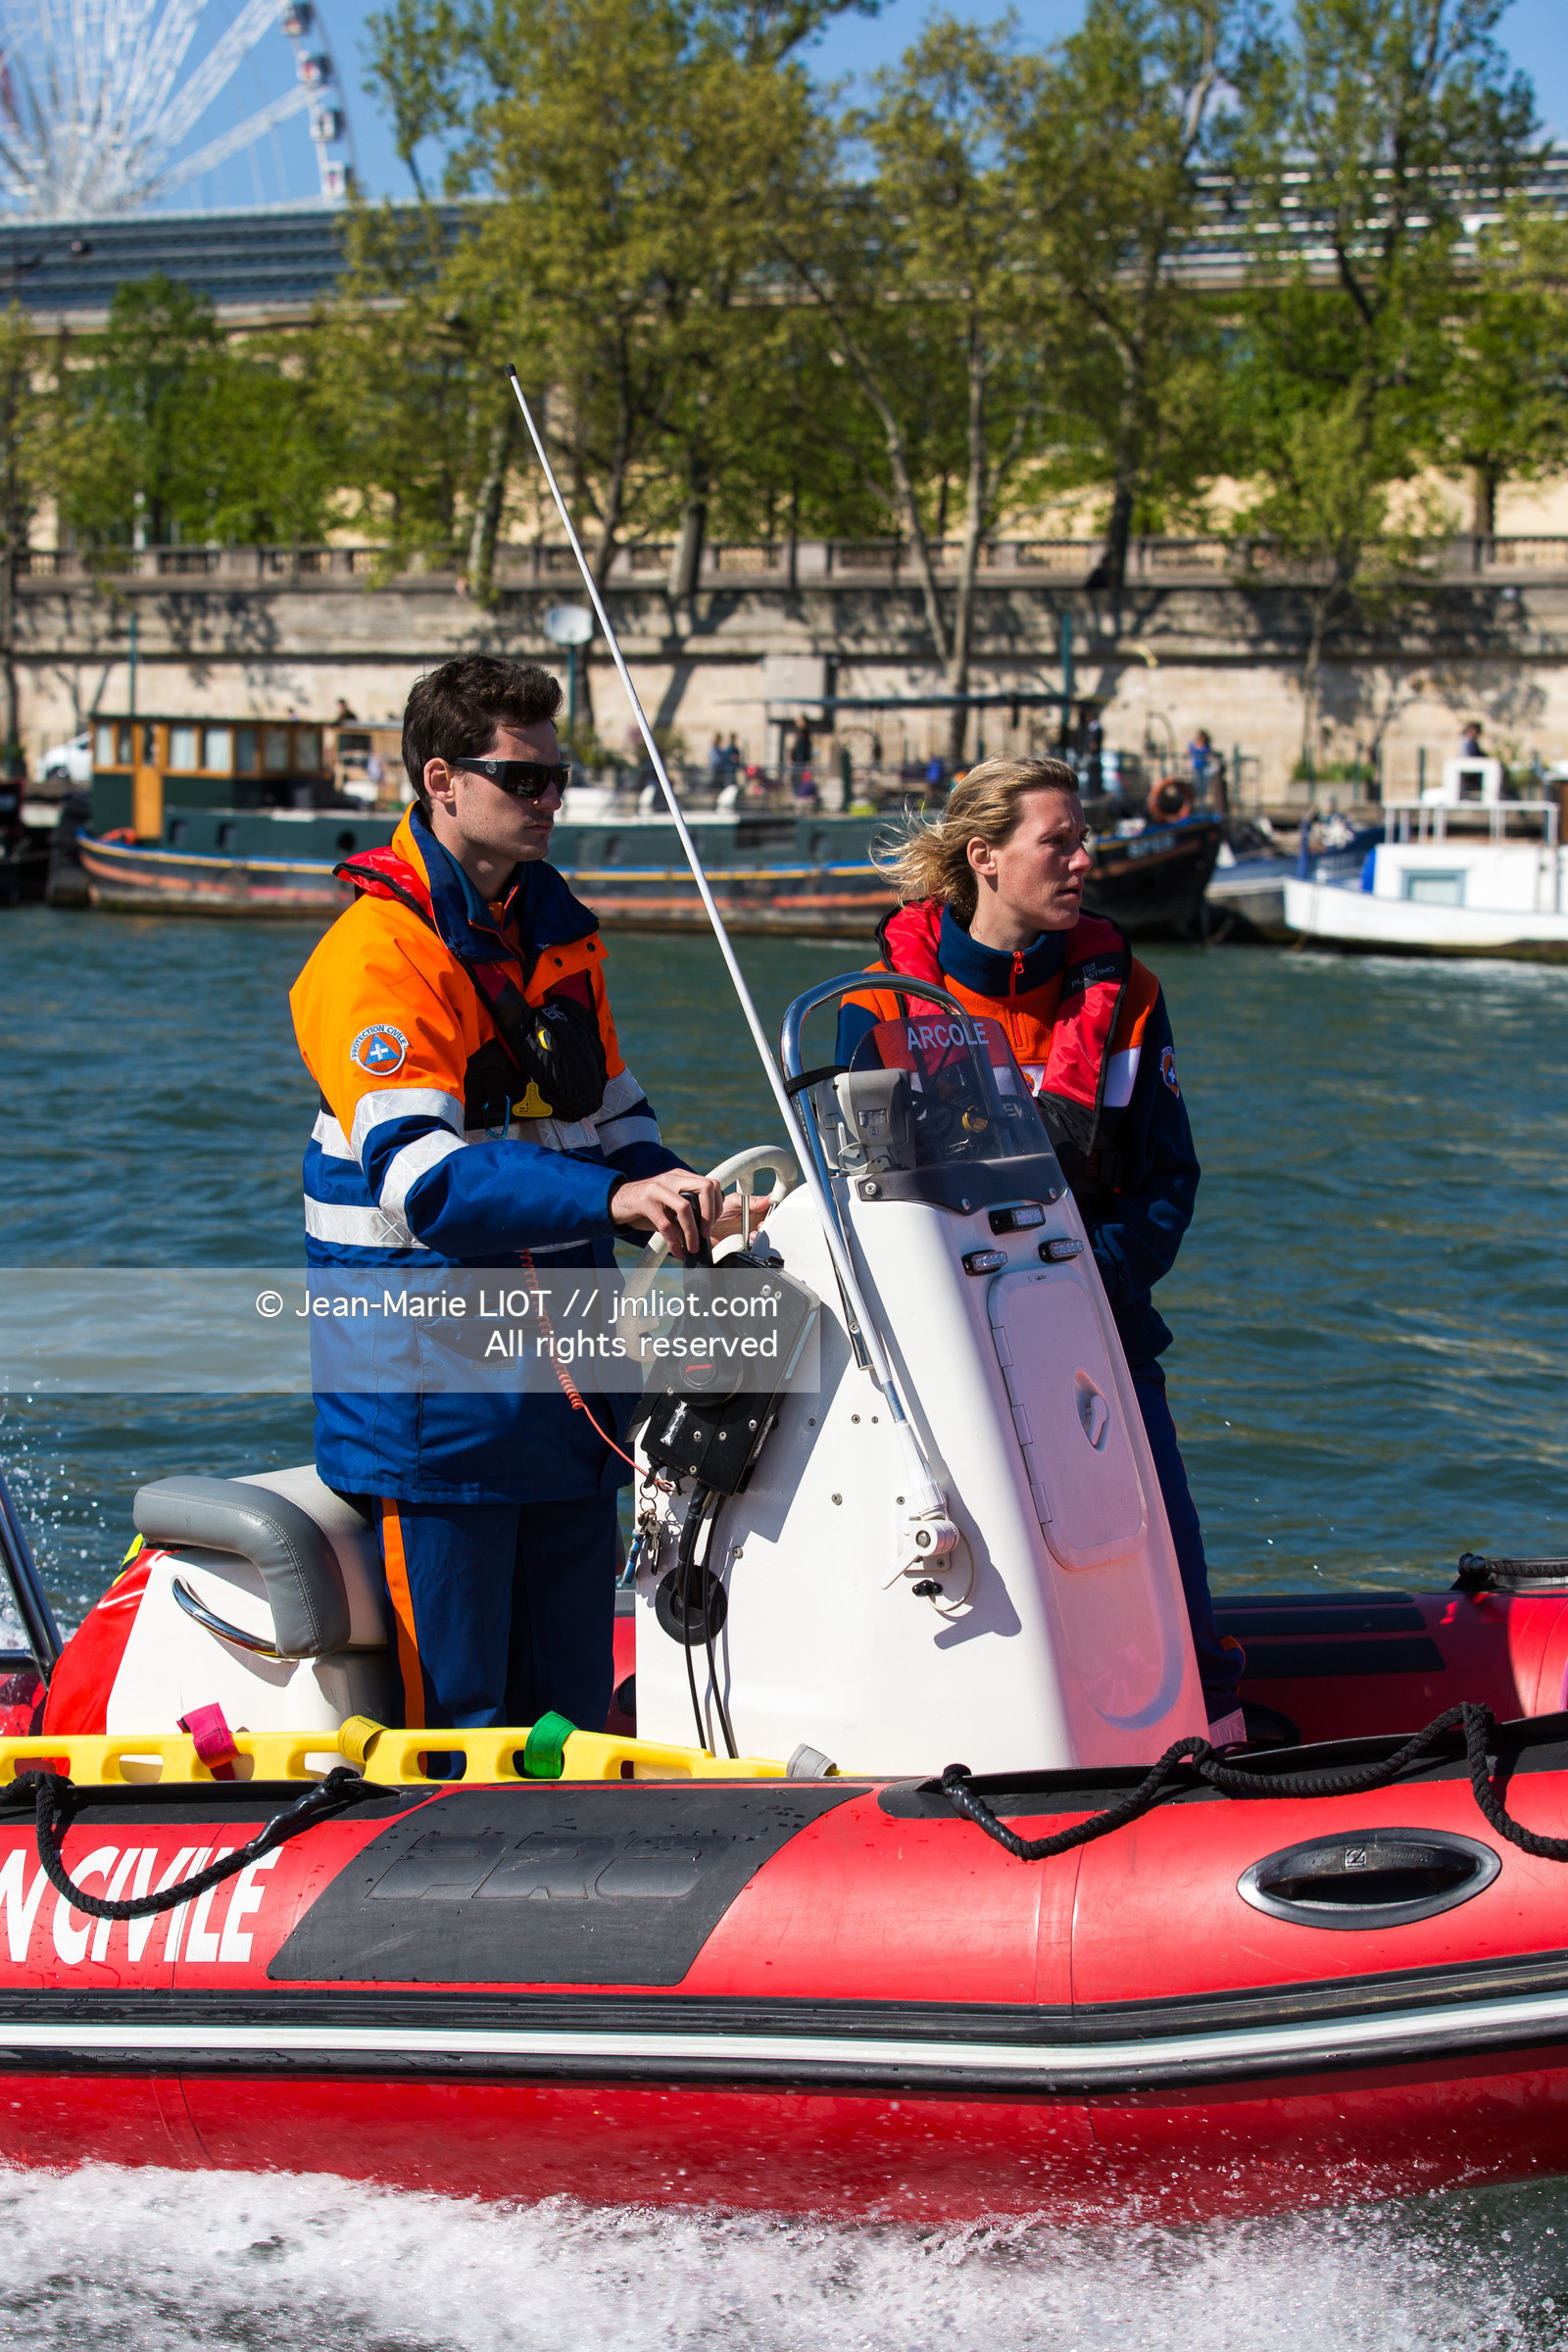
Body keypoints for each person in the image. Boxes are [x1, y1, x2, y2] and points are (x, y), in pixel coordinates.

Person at [290, 656, 750, 1743]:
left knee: (569, 1725)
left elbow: (621, 1132)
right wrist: (619, 1199)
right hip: (434, 1407)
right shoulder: (376, 957)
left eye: (558, 776)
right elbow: (429, 1185)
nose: (551, 800)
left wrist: (703, 1196)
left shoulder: (557, 939)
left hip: (568, 1399)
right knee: (463, 1724)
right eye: (523, 778)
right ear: (442, 780)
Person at [836, 755, 1245, 1744]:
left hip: (1096, 1336)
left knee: (1171, 1582)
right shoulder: (878, 1003)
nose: (1083, 858)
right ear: (984, 856)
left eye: (1082, 838)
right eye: (1057, 841)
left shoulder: (1129, 993)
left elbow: (1166, 1183)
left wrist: (1080, 1285)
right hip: (938, 1356)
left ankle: (1206, 1737)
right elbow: (860, 1196)